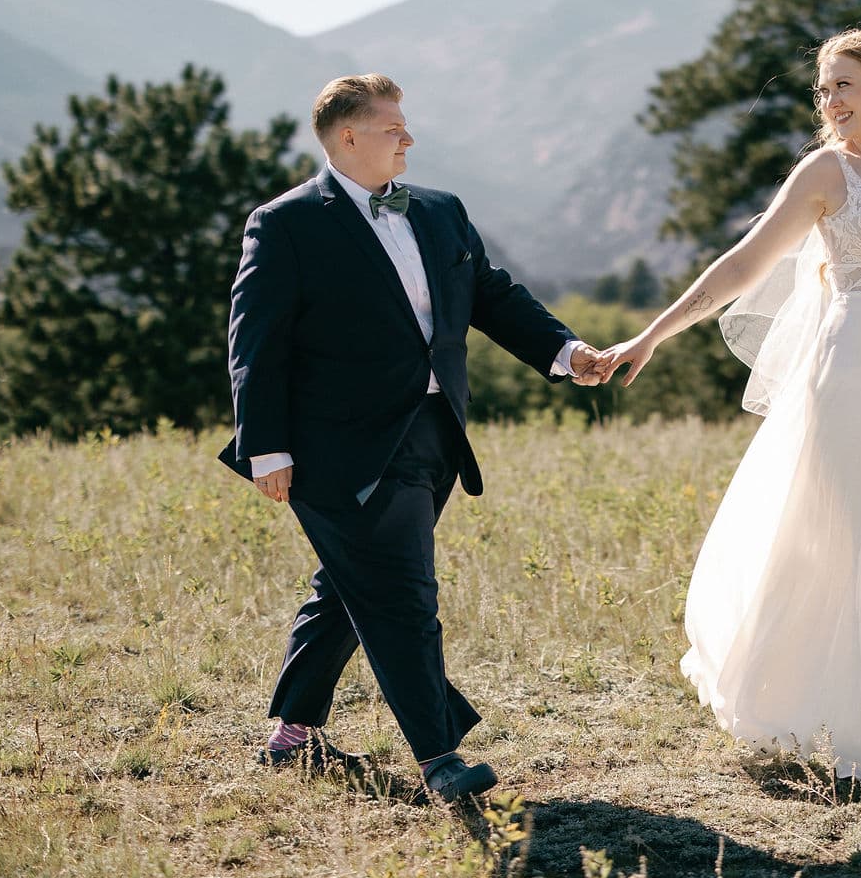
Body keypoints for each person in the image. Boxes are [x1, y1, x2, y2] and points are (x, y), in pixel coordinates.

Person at [593, 29, 861, 805]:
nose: (829, 102)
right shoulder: (825, 172)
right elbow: (742, 264)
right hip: (846, 384)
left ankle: (788, 693)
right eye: (822, 90)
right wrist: (652, 334)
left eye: (843, 85)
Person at [218, 73, 604, 799]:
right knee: (401, 592)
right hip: (335, 450)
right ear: (348, 137)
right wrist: (264, 447)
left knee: (351, 585)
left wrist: (566, 352)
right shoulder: (286, 222)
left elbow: (492, 294)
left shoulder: (440, 210)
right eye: (394, 127)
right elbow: (256, 342)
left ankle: (291, 731)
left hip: (433, 436)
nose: (409, 138)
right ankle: (439, 757)